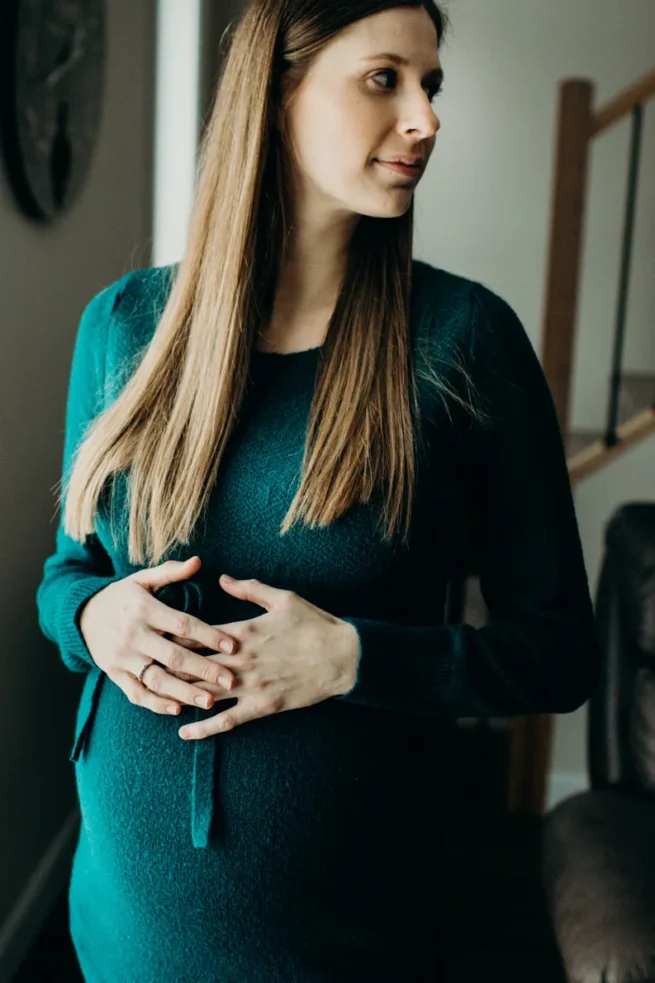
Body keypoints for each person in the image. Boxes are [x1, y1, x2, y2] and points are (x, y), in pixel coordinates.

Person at [36, 1, 601, 980]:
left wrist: (352, 656)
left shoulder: (467, 341)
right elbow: (65, 573)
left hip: (353, 932)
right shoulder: (121, 324)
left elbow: (556, 652)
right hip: (121, 922)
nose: (425, 117)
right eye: (386, 78)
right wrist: (92, 620)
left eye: (431, 86)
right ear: (278, 94)